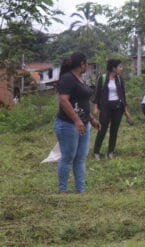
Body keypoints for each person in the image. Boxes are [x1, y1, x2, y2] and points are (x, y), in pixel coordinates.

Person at [54, 52, 100, 193]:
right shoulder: (68, 78)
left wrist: (91, 120)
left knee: (80, 158)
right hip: (68, 124)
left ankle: (80, 190)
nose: (87, 66)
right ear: (82, 64)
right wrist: (76, 120)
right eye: (87, 63)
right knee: (68, 157)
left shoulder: (80, 78)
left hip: (83, 124)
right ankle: (63, 191)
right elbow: (63, 100)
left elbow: (82, 102)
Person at [92, 59, 132, 160]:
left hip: (118, 108)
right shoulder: (103, 78)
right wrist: (96, 107)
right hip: (106, 107)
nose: (121, 69)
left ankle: (110, 152)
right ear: (114, 68)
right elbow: (97, 94)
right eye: (120, 67)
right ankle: (96, 152)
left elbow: (123, 96)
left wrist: (126, 111)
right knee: (102, 129)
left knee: (114, 130)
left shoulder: (120, 79)